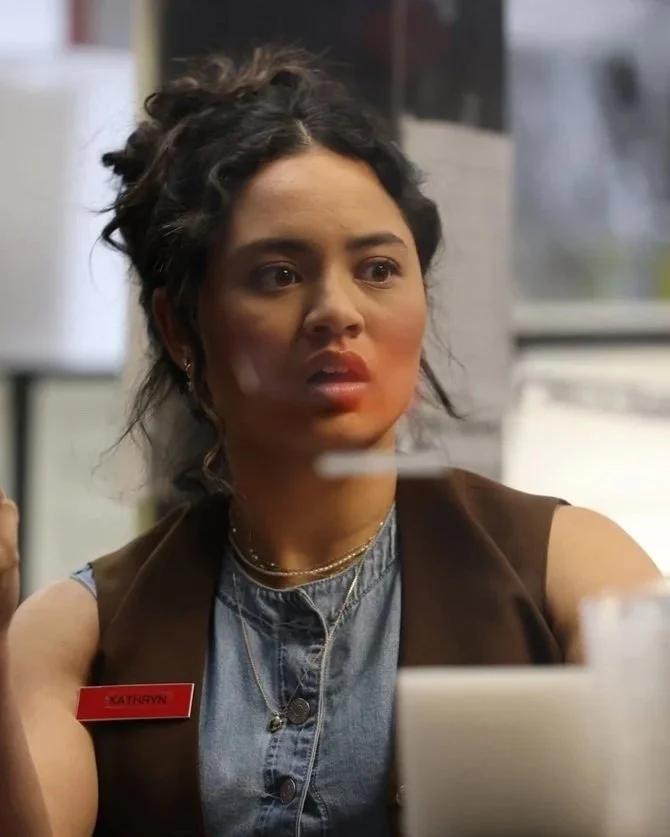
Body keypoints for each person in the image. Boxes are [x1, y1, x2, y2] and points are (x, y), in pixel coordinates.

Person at [0, 47, 660, 837]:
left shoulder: (571, 567)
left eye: (378, 269)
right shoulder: (78, 629)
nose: (337, 312)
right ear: (180, 327)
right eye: (279, 274)